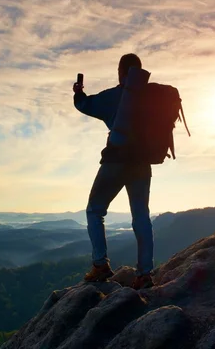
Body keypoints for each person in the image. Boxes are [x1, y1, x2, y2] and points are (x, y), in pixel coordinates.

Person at [73, 53, 154, 290]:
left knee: (94, 210)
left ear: (121, 73)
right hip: (142, 164)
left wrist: (78, 92)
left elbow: (84, 104)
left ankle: (100, 265)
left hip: (116, 162)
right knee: (141, 217)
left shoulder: (115, 96)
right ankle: (145, 274)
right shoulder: (154, 97)